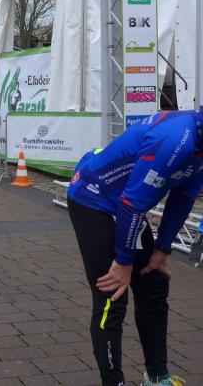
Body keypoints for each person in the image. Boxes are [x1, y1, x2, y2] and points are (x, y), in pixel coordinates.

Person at [67, 110, 202, 386]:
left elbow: (184, 195)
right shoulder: (177, 139)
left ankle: (156, 377)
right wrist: (123, 262)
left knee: (154, 282)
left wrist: (162, 249)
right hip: (93, 198)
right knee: (112, 295)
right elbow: (131, 204)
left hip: (126, 205)